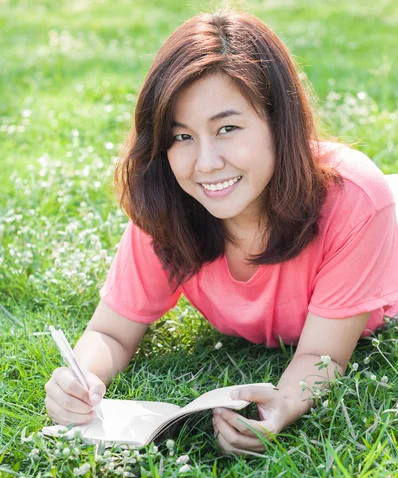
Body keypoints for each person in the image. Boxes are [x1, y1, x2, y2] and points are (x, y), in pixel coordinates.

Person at [44, 9, 398, 455]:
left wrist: (284, 406)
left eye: (227, 128)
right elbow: (111, 333)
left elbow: (320, 356)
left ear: (279, 123)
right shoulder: (169, 203)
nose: (205, 163)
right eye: (182, 137)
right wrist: (81, 379)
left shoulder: (355, 201)